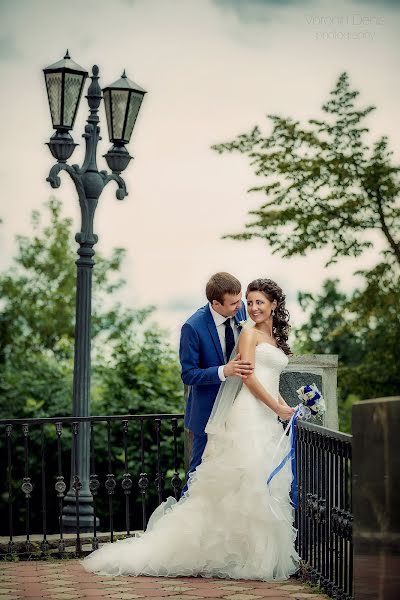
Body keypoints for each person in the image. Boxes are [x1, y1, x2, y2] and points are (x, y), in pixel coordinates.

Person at [82, 278, 299, 581]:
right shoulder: (206, 328)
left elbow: (266, 375)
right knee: (221, 483)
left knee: (256, 485)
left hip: (264, 416)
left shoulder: (255, 326)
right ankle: (201, 548)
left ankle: (251, 552)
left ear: (274, 304)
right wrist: (240, 381)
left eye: (252, 302)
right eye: (243, 303)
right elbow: (221, 376)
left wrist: (285, 407)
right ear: (216, 304)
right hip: (239, 414)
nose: (246, 308)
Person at [179, 272, 251, 490]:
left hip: (239, 410)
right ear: (215, 303)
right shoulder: (193, 327)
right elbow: (189, 374)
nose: (240, 306)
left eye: (240, 300)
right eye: (233, 303)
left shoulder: (241, 311)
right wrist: (223, 371)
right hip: (206, 413)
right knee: (198, 474)